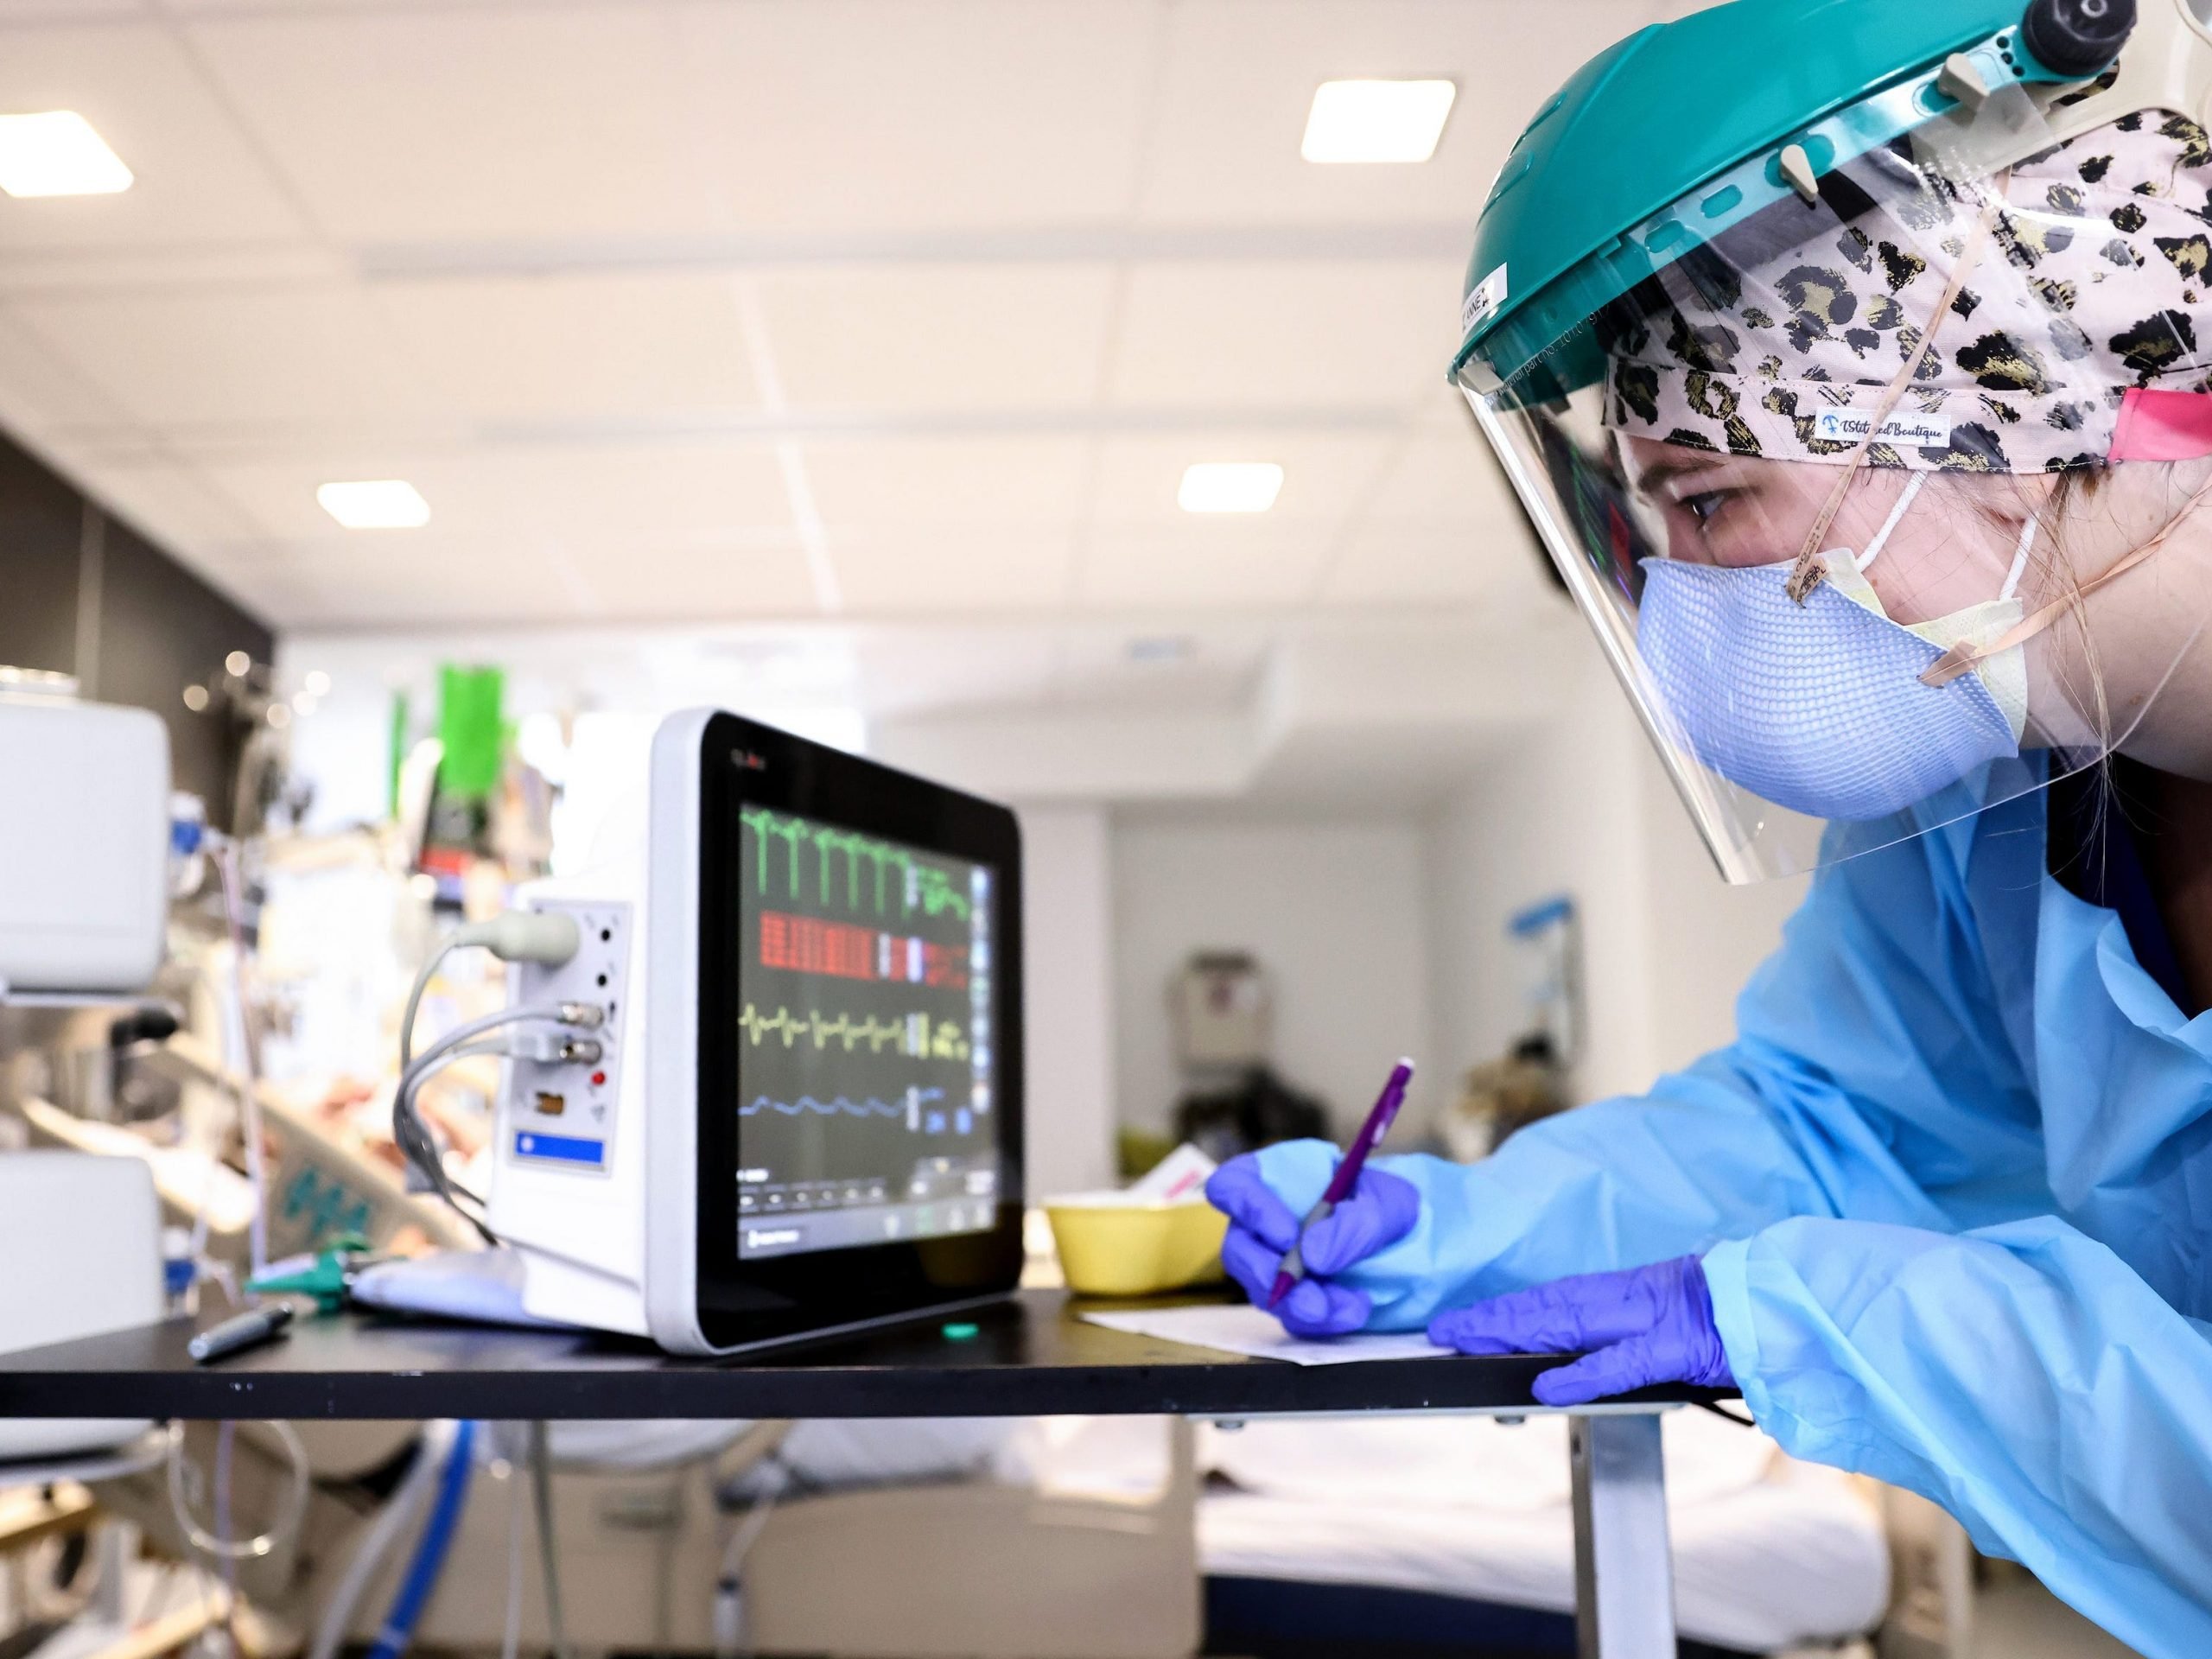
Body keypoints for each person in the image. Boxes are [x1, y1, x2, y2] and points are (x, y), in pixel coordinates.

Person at [1206, 1, 2212, 1651]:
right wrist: (1457, 1231)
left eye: (1703, 499)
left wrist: (1841, 1318)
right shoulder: (2002, 798)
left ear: (2006, 414)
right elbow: (1830, 1120)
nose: (1683, 606)